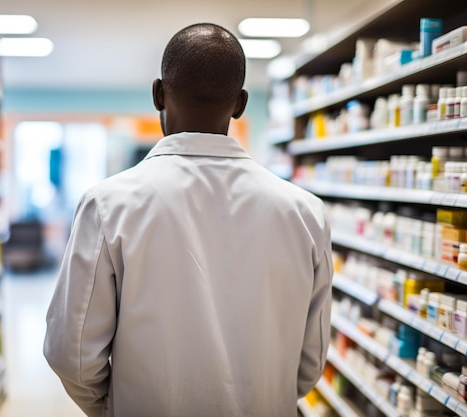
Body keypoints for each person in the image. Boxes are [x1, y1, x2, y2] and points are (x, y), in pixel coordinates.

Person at [44, 22, 333, 417]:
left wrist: (114, 407)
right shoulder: (304, 212)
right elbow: (310, 361)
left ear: (158, 94)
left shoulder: (108, 205)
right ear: (240, 103)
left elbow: (73, 354)